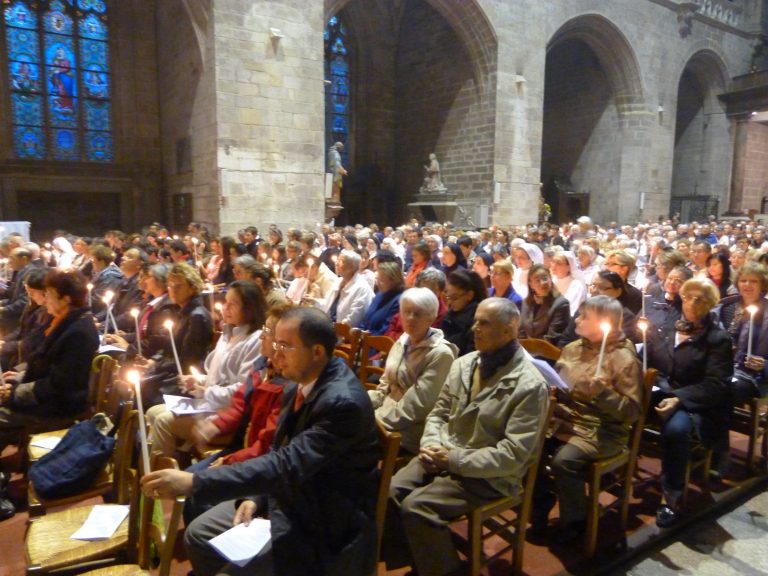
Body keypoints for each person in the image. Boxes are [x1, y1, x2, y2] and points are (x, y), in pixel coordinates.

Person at [141, 307, 380, 576]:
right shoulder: (297, 381)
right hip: (291, 497)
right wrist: (256, 497)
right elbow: (279, 449)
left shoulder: (342, 403)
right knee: (198, 536)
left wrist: (195, 482)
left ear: (317, 352)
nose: (275, 355)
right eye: (275, 343)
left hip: (323, 521)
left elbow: (287, 464)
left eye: (285, 346)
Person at [387, 298, 549, 576]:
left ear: (509, 329)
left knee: (417, 508)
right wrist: (430, 444)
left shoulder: (529, 385)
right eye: (475, 321)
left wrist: (453, 460)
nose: (475, 329)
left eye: (484, 323)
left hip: (489, 477)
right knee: (390, 490)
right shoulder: (464, 364)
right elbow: (438, 413)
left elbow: (513, 454)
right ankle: (422, 560)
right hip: (443, 454)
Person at [532, 296, 642, 540]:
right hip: (564, 419)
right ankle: (540, 506)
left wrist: (604, 394)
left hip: (602, 430)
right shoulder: (573, 348)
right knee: (527, 446)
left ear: (605, 322)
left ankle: (576, 522)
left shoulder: (623, 359)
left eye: (584, 316)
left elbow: (632, 412)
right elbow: (561, 382)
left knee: (564, 462)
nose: (577, 320)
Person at [0, 270, 99, 517]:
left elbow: (60, 386)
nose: (46, 299)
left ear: (66, 299)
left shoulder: (78, 331)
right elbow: (44, 366)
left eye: (51, 294)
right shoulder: (63, 321)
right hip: (49, 396)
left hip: (59, 405)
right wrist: (18, 379)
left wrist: (13, 394)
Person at [646, 278, 733, 527]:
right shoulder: (667, 327)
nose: (691, 303)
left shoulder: (717, 339)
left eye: (699, 299)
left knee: (676, 430)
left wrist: (678, 399)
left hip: (692, 401)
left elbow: (716, 384)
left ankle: (671, 495)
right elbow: (648, 359)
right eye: (687, 297)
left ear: (711, 304)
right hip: (659, 391)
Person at [146, 281, 267, 457]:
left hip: (226, 412)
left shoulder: (255, 340)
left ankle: (164, 468)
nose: (225, 308)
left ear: (250, 308)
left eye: (233, 304)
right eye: (225, 302)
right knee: (152, 412)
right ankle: (176, 457)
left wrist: (206, 391)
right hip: (209, 402)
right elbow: (217, 376)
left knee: (163, 422)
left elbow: (244, 388)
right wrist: (199, 380)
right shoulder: (228, 333)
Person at [369, 288, 457, 454]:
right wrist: (363, 405)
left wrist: (374, 419)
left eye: (417, 314)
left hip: (408, 432)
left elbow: (416, 407)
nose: (410, 318)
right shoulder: (403, 340)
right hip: (384, 417)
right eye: (406, 312)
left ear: (431, 317)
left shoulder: (441, 354)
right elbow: (385, 385)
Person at [137, 263, 213, 407]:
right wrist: (153, 361)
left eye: (178, 286)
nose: (173, 290)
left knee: (144, 388)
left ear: (192, 287)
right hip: (172, 369)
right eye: (170, 286)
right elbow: (169, 347)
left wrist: (156, 367)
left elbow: (188, 359)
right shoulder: (181, 311)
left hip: (185, 377)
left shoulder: (196, 316)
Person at [718, 262, 768, 403]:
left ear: (762, 284)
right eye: (743, 280)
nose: (747, 284)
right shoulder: (726, 307)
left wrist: (764, 365)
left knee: (725, 391)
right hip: (720, 367)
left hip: (753, 376)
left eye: (754, 281)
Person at [0, 268, 51, 370]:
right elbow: (21, 329)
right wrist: (4, 341)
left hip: (30, 358)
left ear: (45, 291)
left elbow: (34, 342)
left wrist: (5, 346)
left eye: (32, 291)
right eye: (28, 290)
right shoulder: (33, 303)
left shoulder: (49, 312)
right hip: (20, 349)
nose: (30, 295)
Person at [309, 250, 374, 327]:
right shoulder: (339, 281)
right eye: (337, 260)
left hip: (344, 331)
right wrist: (314, 301)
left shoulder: (361, 288)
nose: (336, 263)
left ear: (352, 267)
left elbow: (354, 318)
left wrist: (334, 327)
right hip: (329, 325)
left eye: (341, 261)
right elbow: (328, 304)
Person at [440, 269, 487, 357]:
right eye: (448, 296)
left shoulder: (478, 320)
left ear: (469, 295)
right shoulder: (450, 315)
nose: (449, 302)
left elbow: (472, 354)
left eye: (454, 298)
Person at [519, 265, 571, 343]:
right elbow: (521, 331)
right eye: (537, 280)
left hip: (548, 348)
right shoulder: (526, 302)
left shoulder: (561, 304)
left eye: (545, 278)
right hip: (527, 348)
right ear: (531, 284)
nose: (543, 283)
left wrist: (530, 347)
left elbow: (552, 338)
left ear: (550, 279)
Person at [359, 261, 404, 336]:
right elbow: (366, 319)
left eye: (382, 280)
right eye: (377, 279)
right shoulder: (380, 294)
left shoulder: (399, 301)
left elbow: (387, 329)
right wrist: (359, 331)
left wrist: (367, 337)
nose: (378, 283)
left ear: (394, 281)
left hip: (378, 341)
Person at [551, 251, 587, 316]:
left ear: (569, 267)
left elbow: (570, 305)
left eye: (558, 263)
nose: (554, 265)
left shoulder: (576, 285)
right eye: (553, 261)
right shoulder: (551, 279)